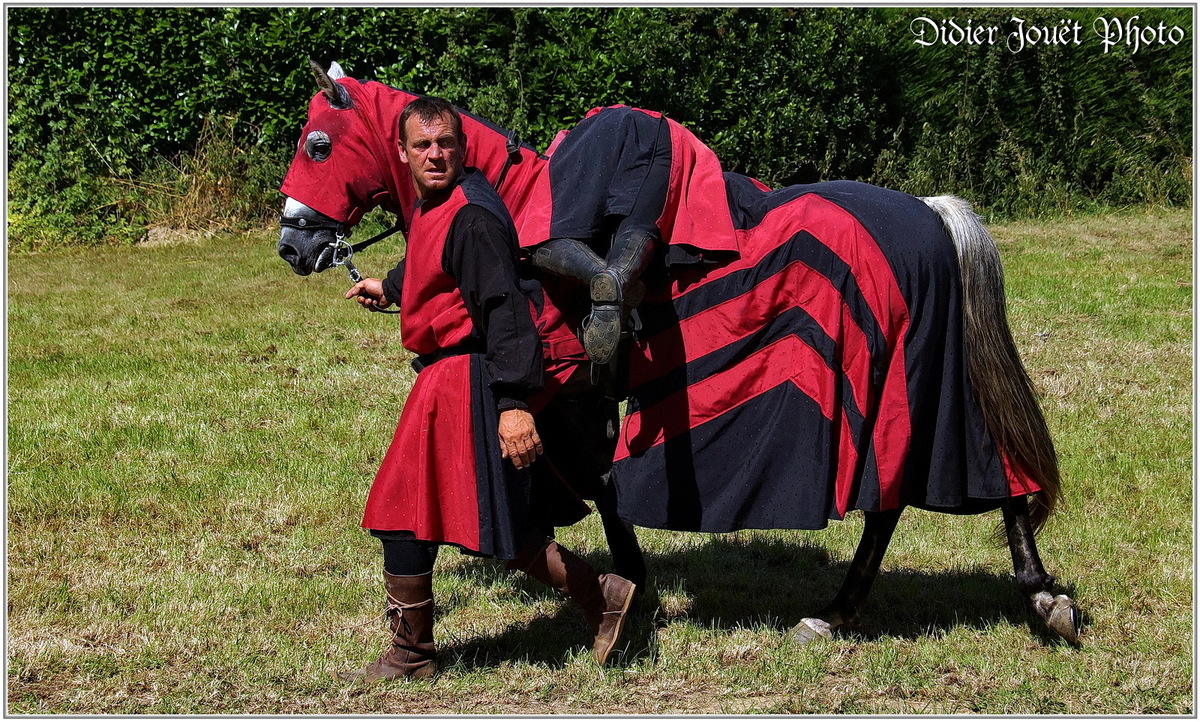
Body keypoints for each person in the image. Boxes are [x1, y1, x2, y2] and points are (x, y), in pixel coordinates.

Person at [338, 97, 636, 682]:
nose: (435, 154)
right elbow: (432, 262)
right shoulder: (436, 204)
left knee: (431, 515)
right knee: (473, 517)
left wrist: (514, 405)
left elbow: (506, 315)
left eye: (445, 143)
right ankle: (600, 595)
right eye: (422, 145)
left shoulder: (471, 216)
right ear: (402, 153)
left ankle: (416, 653)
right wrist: (392, 285)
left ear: (462, 146)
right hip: (444, 381)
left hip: (469, 380)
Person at [517, 105, 741, 367]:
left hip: (592, 133)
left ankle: (598, 274)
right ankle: (618, 277)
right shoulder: (656, 124)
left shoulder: (580, 130)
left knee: (542, 236)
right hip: (661, 134)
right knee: (639, 225)